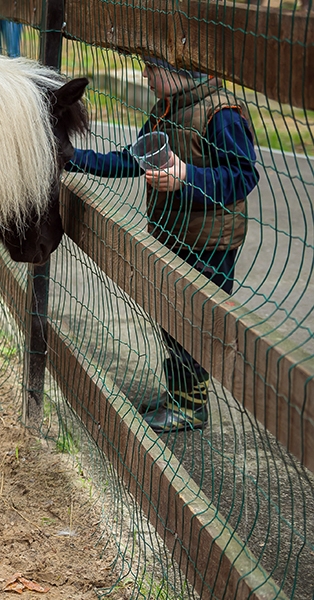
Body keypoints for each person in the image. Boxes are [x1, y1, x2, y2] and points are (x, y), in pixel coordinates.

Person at [65, 56, 259, 433]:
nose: (144, 75)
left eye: (150, 69)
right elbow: (130, 160)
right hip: (173, 236)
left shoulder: (221, 113)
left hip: (209, 242)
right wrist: (73, 158)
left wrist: (187, 176)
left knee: (196, 323)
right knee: (172, 319)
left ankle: (191, 407)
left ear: (177, 70)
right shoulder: (166, 110)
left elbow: (242, 174)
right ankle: (179, 397)